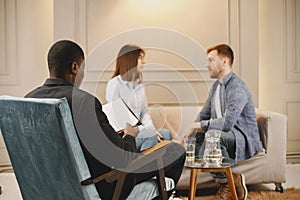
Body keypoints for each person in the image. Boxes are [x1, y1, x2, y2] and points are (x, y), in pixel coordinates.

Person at [25, 40, 185, 200]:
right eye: (83, 68)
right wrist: (130, 135)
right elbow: (122, 157)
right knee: (176, 152)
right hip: (105, 185)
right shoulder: (83, 102)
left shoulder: (29, 101)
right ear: (74, 67)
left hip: (48, 187)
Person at [184, 44, 263, 200]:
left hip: (241, 137)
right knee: (195, 139)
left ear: (225, 62)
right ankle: (232, 180)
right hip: (223, 135)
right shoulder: (216, 87)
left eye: (211, 60)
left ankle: (227, 185)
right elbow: (204, 113)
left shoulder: (237, 87)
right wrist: (189, 131)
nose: (207, 65)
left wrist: (200, 125)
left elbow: (227, 123)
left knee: (213, 135)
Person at [105, 44, 172, 151]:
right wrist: (146, 131)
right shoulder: (114, 84)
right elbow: (119, 119)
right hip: (126, 135)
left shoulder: (139, 85)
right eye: (140, 58)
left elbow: (144, 113)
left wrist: (152, 130)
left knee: (165, 134)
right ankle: (141, 167)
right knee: (150, 136)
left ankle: (163, 167)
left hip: (140, 130)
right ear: (130, 60)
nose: (144, 62)